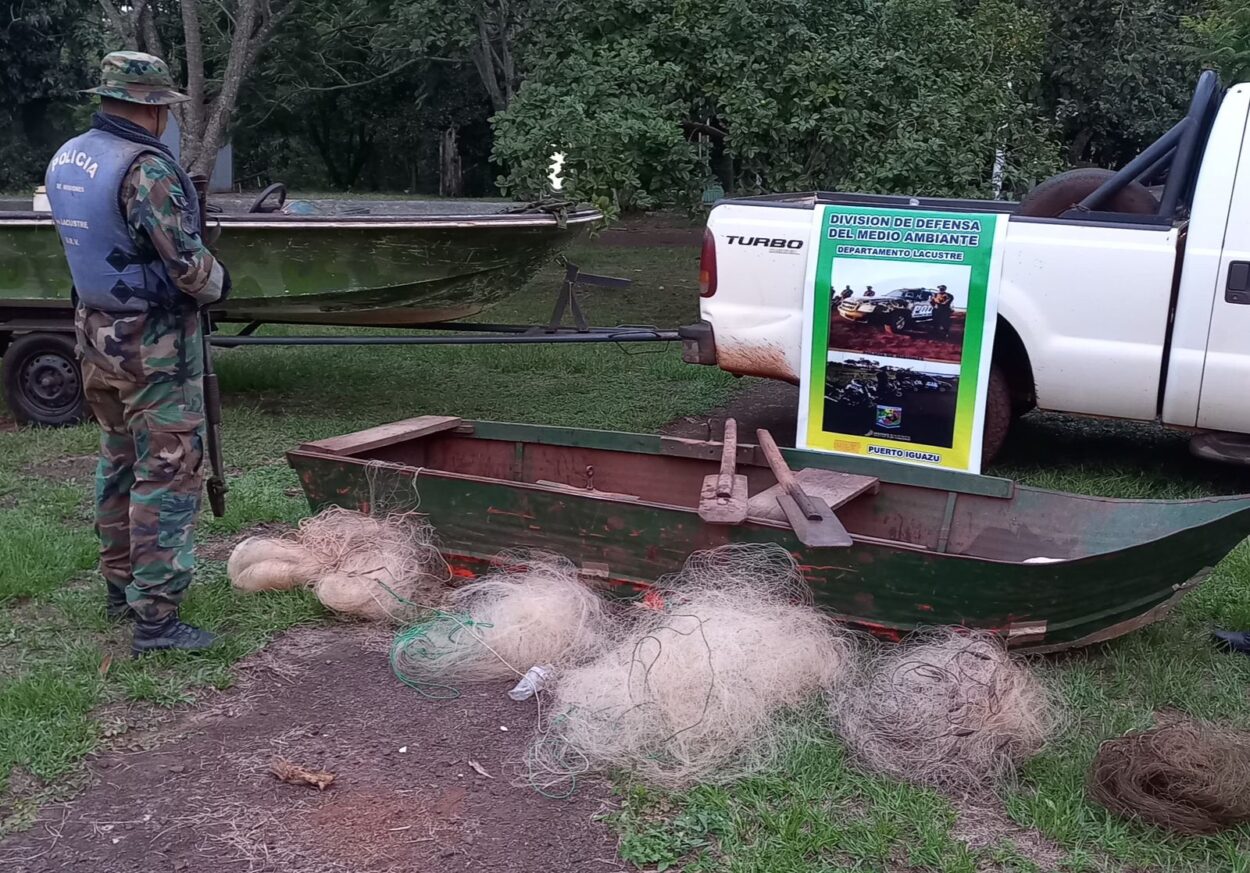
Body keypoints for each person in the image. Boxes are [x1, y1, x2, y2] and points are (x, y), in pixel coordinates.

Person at [45, 51, 228, 655]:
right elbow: (186, 265)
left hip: (95, 332)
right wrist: (219, 281)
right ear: (151, 108)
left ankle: (118, 585)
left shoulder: (69, 156)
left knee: (119, 457)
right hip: (154, 343)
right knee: (169, 470)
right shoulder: (145, 169)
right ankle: (156, 616)